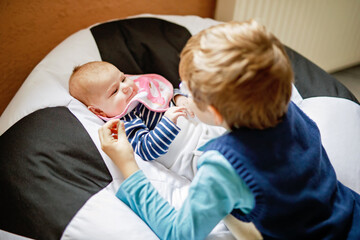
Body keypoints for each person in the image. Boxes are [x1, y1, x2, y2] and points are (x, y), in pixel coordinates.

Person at [98, 20, 360, 239]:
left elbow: (179, 234)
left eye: (186, 88)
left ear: (214, 112)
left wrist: (127, 165)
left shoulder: (222, 165)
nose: (180, 90)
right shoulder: (288, 107)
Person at [69, 61, 187, 161]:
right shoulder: (125, 123)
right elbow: (146, 150)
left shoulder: (141, 91)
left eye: (123, 79)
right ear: (98, 111)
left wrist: (178, 97)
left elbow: (166, 93)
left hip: (200, 125)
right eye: (114, 91)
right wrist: (168, 122)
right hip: (188, 153)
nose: (125, 87)